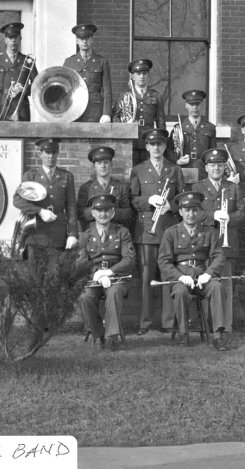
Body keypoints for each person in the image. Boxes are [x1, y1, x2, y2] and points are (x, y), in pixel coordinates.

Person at [130, 129, 185, 335]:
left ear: (164, 146)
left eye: (160, 144)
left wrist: (170, 206)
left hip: (168, 230)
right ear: (147, 147)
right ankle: (145, 322)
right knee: (145, 279)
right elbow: (133, 199)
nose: (156, 148)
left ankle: (168, 322)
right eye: (152, 144)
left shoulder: (174, 170)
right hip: (146, 231)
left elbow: (182, 199)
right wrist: (148, 201)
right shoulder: (138, 170)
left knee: (167, 277)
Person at [158, 191, 228, 350]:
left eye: (195, 210)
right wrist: (179, 276)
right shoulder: (171, 232)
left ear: (200, 212)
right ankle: (184, 334)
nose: (191, 214)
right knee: (181, 292)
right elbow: (163, 260)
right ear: (180, 211)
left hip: (202, 278)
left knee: (217, 287)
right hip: (181, 279)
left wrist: (208, 274)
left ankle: (218, 336)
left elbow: (219, 257)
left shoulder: (209, 231)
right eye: (187, 210)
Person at [192, 148, 245, 332]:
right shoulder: (197, 188)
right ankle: (207, 326)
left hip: (227, 242)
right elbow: (193, 214)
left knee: (226, 286)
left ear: (225, 167)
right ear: (206, 167)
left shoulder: (233, 187)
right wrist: (213, 215)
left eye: (220, 165)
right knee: (207, 284)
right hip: (205, 244)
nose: (216, 168)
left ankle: (226, 326)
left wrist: (229, 217)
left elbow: (243, 214)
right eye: (212, 165)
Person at [77, 194, 135, 350]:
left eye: (107, 210)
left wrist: (108, 272)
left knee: (114, 292)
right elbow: (81, 262)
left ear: (113, 213)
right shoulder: (85, 235)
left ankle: (111, 337)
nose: (103, 214)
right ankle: (98, 334)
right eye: (99, 210)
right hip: (93, 279)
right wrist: (96, 272)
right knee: (85, 296)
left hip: (117, 278)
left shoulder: (122, 232)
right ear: (93, 213)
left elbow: (129, 259)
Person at [13, 138, 78, 255]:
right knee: (35, 272)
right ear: (40, 154)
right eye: (47, 152)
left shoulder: (66, 176)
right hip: (36, 234)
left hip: (57, 234)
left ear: (57, 153)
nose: (50, 156)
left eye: (54, 152)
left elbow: (71, 207)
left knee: (55, 272)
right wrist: (40, 211)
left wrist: (72, 234)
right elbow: (17, 200)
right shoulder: (31, 176)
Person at [63, 24, 112, 123]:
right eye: (81, 39)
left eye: (87, 38)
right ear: (77, 41)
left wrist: (106, 113)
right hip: (74, 108)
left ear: (92, 40)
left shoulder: (102, 61)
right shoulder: (69, 62)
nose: (84, 41)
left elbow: (107, 90)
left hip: (95, 110)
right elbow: (65, 88)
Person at [0, 22, 38, 121]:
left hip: (21, 107)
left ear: (20, 38)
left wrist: (24, 89)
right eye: (10, 38)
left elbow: (37, 85)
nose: (13, 40)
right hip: (1, 106)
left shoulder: (28, 61)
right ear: (5, 40)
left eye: (16, 37)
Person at [76, 146, 132, 232]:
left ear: (111, 165)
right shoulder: (86, 188)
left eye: (106, 162)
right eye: (99, 163)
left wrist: (110, 212)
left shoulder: (121, 187)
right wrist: (97, 211)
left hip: (115, 233)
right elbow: (80, 213)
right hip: (93, 233)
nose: (103, 166)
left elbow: (128, 213)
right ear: (94, 166)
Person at [166, 90, 216, 180]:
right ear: (186, 105)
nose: (195, 107)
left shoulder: (210, 127)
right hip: (184, 169)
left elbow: (212, 151)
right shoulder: (179, 127)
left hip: (202, 171)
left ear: (201, 105)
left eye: (197, 104)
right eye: (192, 104)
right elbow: (169, 150)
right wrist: (177, 161)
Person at [113, 58, 165, 130]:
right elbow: (115, 118)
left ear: (148, 75)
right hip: (130, 135)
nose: (142, 77)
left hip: (148, 136)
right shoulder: (125, 96)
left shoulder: (156, 96)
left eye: (144, 73)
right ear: (133, 77)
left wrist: (161, 139)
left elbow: (161, 122)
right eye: (138, 74)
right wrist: (123, 130)